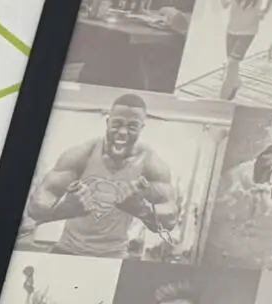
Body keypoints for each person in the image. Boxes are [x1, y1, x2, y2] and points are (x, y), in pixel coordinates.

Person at [25, 92, 178, 256]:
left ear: (142, 128)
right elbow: (34, 208)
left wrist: (141, 209)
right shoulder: (80, 155)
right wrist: (63, 210)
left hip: (114, 253)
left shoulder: (151, 165)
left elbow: (170, 219)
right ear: (107, 122)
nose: (123, 132)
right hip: (67, 248)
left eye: (132, 126)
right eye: (117, 124)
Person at [215, 0, 272, 103]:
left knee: (232, 63)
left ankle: (222, 100)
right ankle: (236, 82)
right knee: (231, 63)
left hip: (249, 29)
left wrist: (264, 11)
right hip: (232, 27)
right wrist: (227, 1)